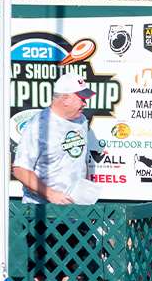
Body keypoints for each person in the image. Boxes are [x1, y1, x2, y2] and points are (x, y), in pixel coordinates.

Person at [11, 71, 100, 205]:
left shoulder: (81, 120)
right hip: (41, 211)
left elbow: (80, 160)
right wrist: (50, 194)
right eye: (81, 98)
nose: (85, 103)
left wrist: (85, 197)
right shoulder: (39, 125)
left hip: (75, 210)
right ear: (65, 99)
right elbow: (20, 170)